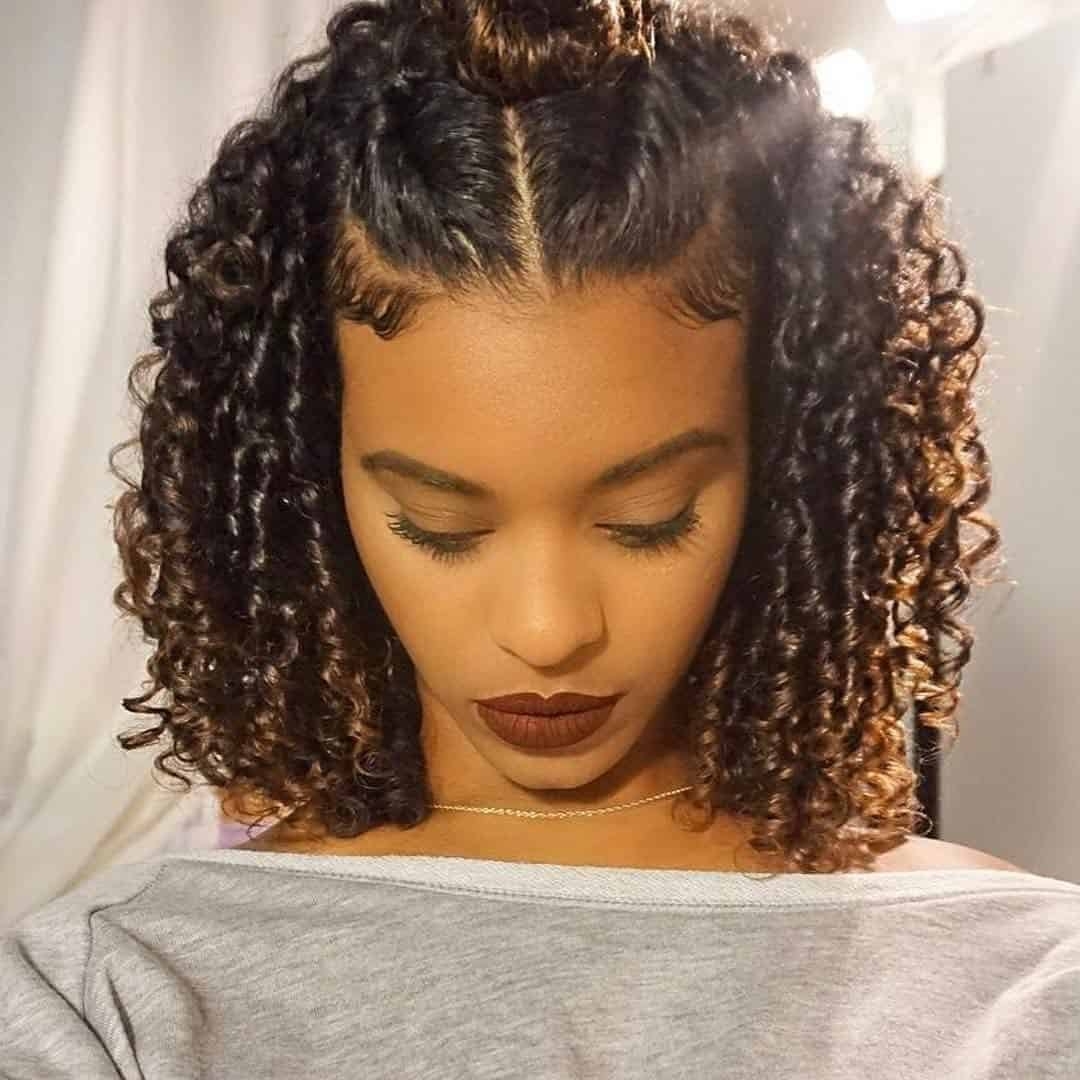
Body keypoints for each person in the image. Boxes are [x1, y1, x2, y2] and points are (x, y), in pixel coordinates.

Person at [3, 0, 1078, 1075]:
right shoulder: (108, 1000)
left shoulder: (1022, 990)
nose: (549, 630)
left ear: (792, 468)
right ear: (305, 488)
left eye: (649, 519)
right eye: (441, 526)